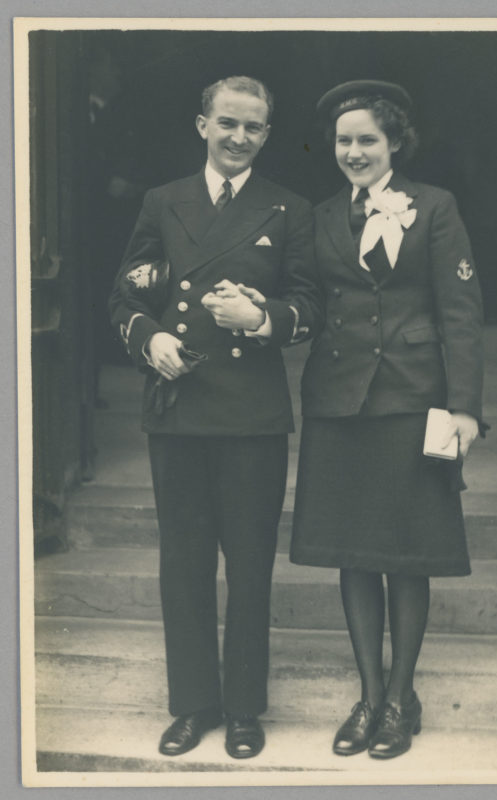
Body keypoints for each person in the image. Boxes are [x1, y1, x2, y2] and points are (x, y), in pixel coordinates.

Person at [109, 75, 321, 759]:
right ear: (202, 125)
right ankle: (192, 704)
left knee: (251, 565)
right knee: (185, 562)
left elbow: (309, 307)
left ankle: (244, 709)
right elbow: (124, 295)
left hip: (252, 415)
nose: (238, 138)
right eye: (226, 123)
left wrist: (259, 319)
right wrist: (151, 339)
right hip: (178, 408)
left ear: (267, 134)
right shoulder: (161, 202)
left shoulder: (288, 209)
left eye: (252, 127)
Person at [289, 80, 485, 759]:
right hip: (339, 401)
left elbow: (460, 313)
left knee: (406, 554)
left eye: (367, 139)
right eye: (344, 141)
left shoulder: (435, 207)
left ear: (394, 142)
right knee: (353, 552)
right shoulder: (318, 217)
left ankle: (401, 698)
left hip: (414, 399)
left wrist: (464, 408)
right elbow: (308, 302)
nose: (354, 152)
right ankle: (369, 696)